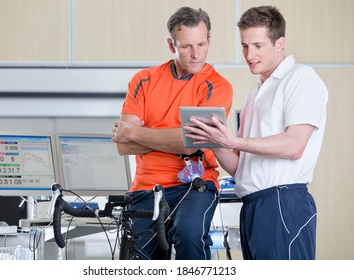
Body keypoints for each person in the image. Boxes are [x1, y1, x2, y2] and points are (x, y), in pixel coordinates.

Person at [184, 5, 328, 260]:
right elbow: (241, 168)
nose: (249, 54)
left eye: (258, 46)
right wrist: (214, 141)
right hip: (252, 206)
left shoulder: (300, 78)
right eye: (244, 46)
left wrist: (233, 139)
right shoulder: (254, 96)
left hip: (283, 202)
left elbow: (295, 145)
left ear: (279, 42)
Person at [111, 6, 233, 260]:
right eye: (187, 46)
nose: (196, 53)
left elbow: (190, 145)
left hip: (194, 186)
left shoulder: (217, 87)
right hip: (146, 187)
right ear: (171, 45)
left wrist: (138, 133)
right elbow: (123, 145)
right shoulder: (143, 80)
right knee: (141, 259)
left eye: (201, 44)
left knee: (189, 235)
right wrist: (174, 138)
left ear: (209, 40)